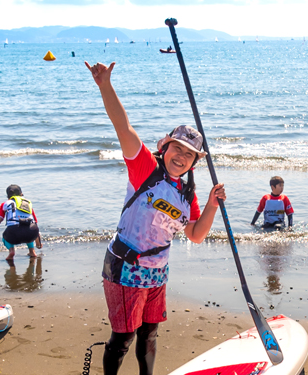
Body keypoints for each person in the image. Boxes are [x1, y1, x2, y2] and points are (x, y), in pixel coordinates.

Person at [85, 61, 226, 375]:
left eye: (188, 154)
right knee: (123, 336)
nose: (181, 156)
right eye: (177, 148)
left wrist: (213, 206)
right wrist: (105, 86)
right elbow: (124, 127)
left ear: (193, 162)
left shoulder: (187, 193)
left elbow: (195, 234)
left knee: (149, 334)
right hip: (126, 266)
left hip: (157, 271)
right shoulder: (145, 169)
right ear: (165, 147)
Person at [0, 184, 42, 259]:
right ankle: (32, 251)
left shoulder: (5, 204)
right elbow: (35, 222)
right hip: (31, 234)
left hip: (13, 234)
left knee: (5, 236)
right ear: (21, 194)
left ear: (8, 196)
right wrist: (38, 242)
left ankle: (11, 251)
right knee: (28, 226)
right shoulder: (27, 203)